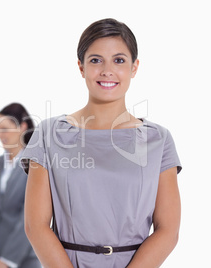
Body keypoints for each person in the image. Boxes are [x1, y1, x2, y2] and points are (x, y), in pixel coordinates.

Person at [21, 18, 182, 268]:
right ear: (81, 67)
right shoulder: (49, 133)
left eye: (119, 60)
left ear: (134, 67)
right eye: (96, 60)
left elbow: (168, 230)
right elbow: (36, 226)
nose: (107, 70)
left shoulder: (158, 139)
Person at [0, 103, 41, 268]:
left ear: (22, 127)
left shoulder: (36, 166)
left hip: (24, 260)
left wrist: (6, 261)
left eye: (5, 128)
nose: (0, 134)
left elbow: (31, 218)